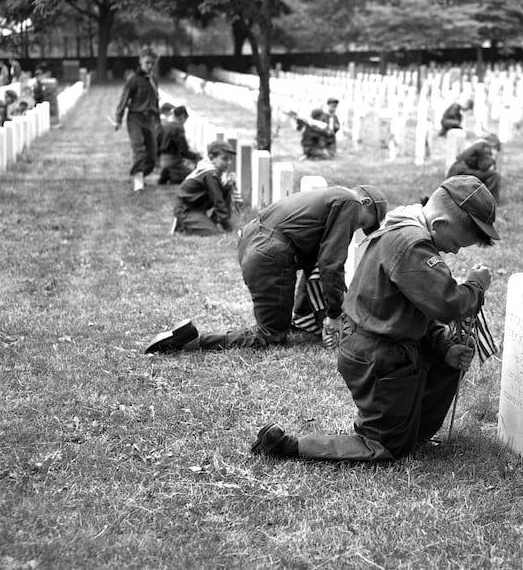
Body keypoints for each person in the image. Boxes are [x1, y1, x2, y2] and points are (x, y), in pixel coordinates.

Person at [250, 175, 497, 462]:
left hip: (381, 347)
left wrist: (445, 349)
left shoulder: (403, 228)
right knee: (386, 446)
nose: (454, 251)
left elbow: (415, 310)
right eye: (456, 243)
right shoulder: (412, 245)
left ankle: (405, 425)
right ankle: (287, 445)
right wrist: (476, 285)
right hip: (379, 357)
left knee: (414, 427)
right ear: (439, 224)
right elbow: (448, 304)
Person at [145, 184, 388, 354]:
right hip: (271, 255)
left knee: (278, 323)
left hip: (254, 241)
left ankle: (300, 320)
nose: (356, 227)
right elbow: (330, 264)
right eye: (363, 222)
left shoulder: (330, 197)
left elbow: (316, 262)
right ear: (364, 203)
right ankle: (190, 343)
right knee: (270, 335)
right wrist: (335, 315)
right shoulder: (351, 203)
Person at [114, 46, 160, 192]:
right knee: (138, 149)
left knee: (152, 156)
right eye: (147, 63)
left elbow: (156, 101)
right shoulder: (133, 80)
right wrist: (118, 119)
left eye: (153, 63)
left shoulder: (154, 80)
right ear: (140, 61)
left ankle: (138, 174)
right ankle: (138, 182)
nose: (150, 66)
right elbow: (124, 98)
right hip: (135, 118)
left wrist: (158, 120)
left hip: (150, 120)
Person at [171, 140, 235, 235]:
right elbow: (218, 201)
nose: (229, 163)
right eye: (224, 159)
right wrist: (228, 227)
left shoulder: (212, 171)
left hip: (197, 207)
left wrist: (228, 186)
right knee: (211, 232)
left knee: (226, 190)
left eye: (230, 159)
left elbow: (220, 195)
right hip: (185, 208)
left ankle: (210, 222)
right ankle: (182, 225)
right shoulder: (210, 174)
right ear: (212, 158)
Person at [446, 133, 501, 202]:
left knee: (486, 175)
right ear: (494, 146)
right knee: (494, 174)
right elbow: (484, 166)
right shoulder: (485, 147)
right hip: (462, 173)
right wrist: (492, 159)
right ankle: (491, 201)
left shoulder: (479, 145)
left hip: (456, 173)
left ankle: (481, 198)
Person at [158, 106, 199, 184]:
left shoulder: (164, 125)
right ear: (183, 116)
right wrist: (196, 157)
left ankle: (169, 173)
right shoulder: (177, 128)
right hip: (173, 161)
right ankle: (171, 173)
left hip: (162, 159)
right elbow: (183, 151)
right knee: (193, 176)